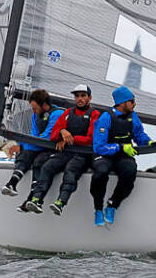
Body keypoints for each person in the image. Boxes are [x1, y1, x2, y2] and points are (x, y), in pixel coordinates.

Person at [25, 85, 100, 215]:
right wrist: (62, 131)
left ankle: (60, 202)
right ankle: (37, 199)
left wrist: (70, 138)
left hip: (83, 154)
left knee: (71, 170)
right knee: (47, 166)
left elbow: (91, 138)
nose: (79, 99)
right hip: (66, 151)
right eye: (77, 96)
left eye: (83, 95)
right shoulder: (67, 113)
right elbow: (54, 135)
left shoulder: (95, 114)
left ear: (90, 98)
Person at [90, 86, 155, 226]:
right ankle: (98, 209)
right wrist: (120, 147)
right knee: (100, 173)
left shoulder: (133, 117)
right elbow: (99, 147)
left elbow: (139, 135)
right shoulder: (106, 117)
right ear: (122, 102)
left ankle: (113, 205)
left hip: (123, 156)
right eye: (132, 101)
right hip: (105, 155)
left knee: (130, 172)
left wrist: (149, 142)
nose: (134, 104)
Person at [0, 89, 64, 211]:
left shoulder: (57, 114)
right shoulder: (36, 114)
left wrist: (22, 145)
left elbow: (47, 137)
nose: (33, 111)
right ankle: (12, 183)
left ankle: (31, 198)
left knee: (37, 160)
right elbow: (35, 135)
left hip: (54, 148)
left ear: (44, 105)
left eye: (35, 108)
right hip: (41, 146)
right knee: (26, 152)